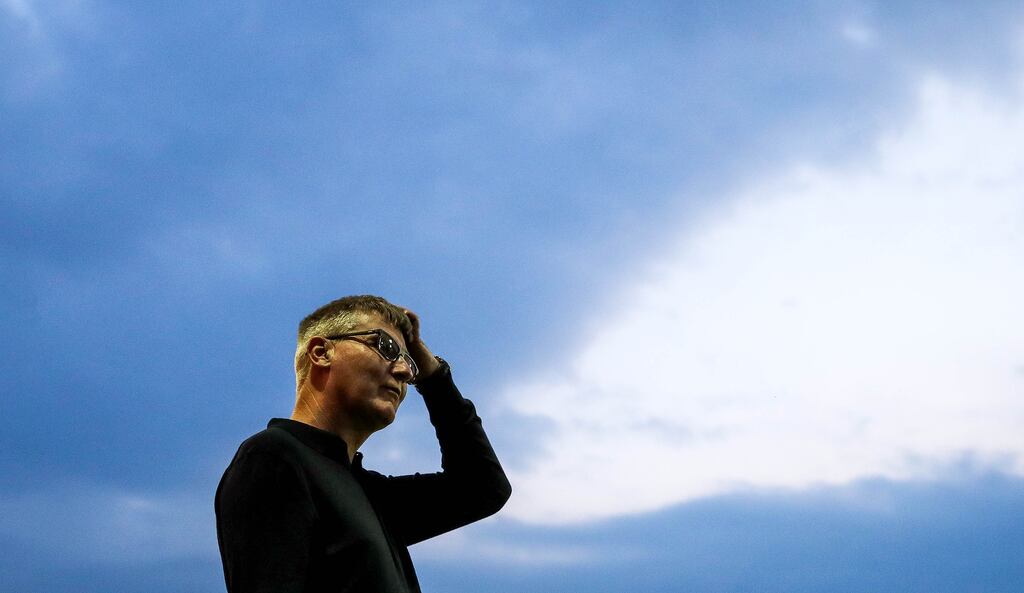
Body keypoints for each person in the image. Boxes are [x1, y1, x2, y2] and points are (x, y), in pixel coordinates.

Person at [215, 295, 511, 593]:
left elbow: (482, 488)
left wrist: (434, 377)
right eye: (386, 347)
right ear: (321, 352)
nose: (406, 372)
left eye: (409, 363)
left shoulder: (370, 494)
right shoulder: (273, 457)